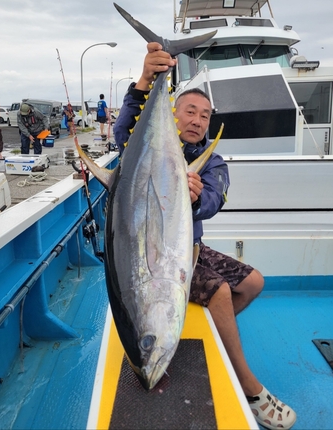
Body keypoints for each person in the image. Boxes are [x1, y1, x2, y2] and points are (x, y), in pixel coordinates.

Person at [114, 42, 297, 430]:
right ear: (174, 114)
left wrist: (194, 200)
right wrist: (146, 79)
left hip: (186, 247)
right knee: (220, 292)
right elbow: (123, 130)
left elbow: (214, 201)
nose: (197, 120)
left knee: (254, 283)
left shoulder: (211, 160)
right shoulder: (150, 146)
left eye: (205, 115)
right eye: (190, 111)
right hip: (162, 254)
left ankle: (200, 332)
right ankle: (251, 388)